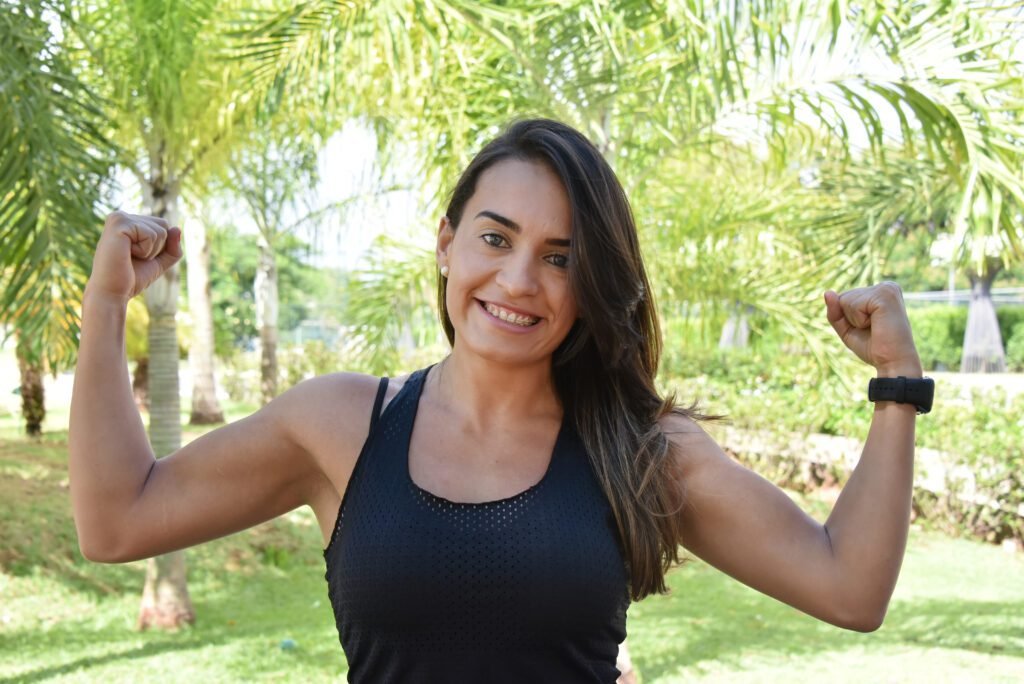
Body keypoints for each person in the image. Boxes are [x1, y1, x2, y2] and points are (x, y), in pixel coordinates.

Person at [70, 118, 927, 683]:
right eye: (494, 237)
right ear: (447, 244)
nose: (518, 280)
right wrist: (107, 307)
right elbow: (117, 522)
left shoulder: (639, 448)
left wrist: (896, 385)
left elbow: (848, 589)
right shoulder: (340, 425)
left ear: (592, 282)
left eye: (560, 257)